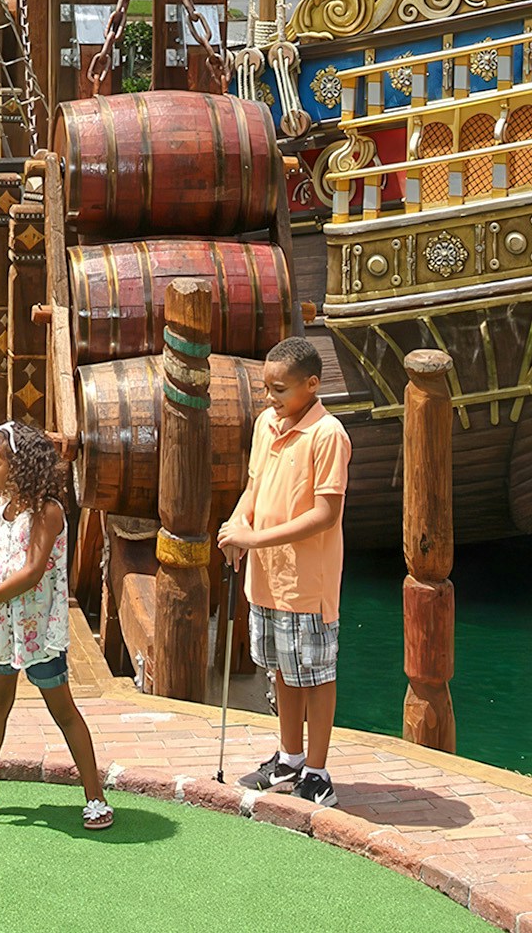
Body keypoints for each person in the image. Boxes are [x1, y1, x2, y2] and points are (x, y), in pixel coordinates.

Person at [0, 421, 113, 831]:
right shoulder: (0, 513)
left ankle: (95, 796)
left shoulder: (48, 511)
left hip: (38, 630)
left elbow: (34, 570)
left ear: (19, 467)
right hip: (0, 630)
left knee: (63, 711)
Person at [217, 336, 352, 807]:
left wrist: (252, 539)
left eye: (279, 390)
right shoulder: (265, 425)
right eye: (266, 388)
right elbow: (254, 488)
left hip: (306, 583)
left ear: (311, 385)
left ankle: (318, 771)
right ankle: (289, 757)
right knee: (281, 670)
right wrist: (237, 524)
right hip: (266, 579)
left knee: (315, 674)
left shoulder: (328, 435)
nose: (270, 398)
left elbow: (325, 515)